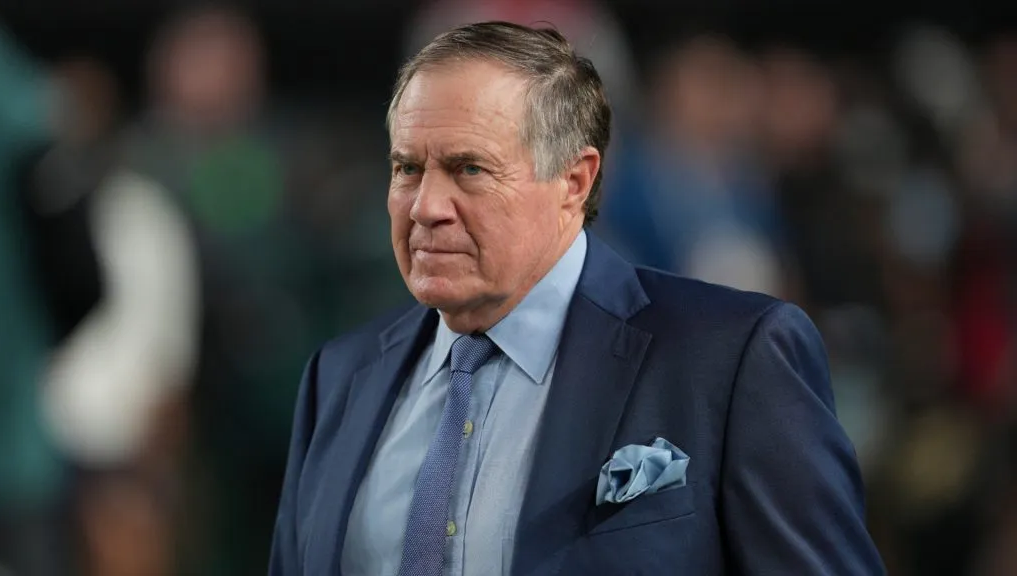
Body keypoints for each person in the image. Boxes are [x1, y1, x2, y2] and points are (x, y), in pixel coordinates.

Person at [269, 21, 885, 576]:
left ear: (574, 180)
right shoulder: (339, 378)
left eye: (469, 170)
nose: (427, 207)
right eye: (407, 169)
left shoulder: (730, 359)